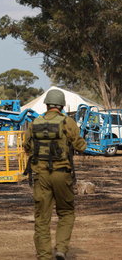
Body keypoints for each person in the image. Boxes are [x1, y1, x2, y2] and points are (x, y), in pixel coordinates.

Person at [23, 89, 87, 260]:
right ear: (61, 105)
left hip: (40, 176)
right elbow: (81, 146)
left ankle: (44, 256)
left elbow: (27, 147)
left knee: (42, 218)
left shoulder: (35, 122)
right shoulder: (68, 122)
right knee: (66, 212)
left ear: (47, 105)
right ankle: (60, 249)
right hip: (62, 174)